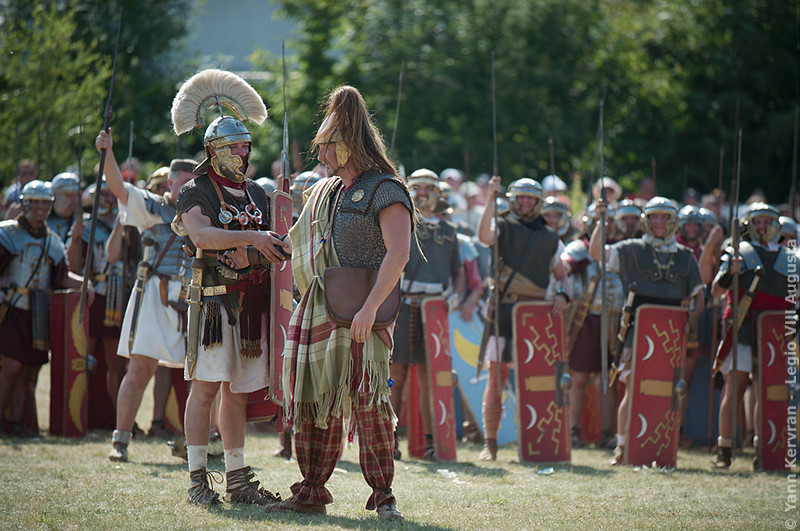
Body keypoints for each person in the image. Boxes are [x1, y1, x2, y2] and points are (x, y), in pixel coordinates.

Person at [269, 85, 412, 519]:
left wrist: (370, 308)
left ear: (347, 146)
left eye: (327, 147)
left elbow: (399, 253)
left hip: (366, 313)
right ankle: (311, 490)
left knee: (369, 404)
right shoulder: (324, 192)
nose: (320, 156)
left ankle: (384, 497)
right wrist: (255, 244)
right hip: (320, 310)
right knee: (315, 403)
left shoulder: (385, 188)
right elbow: (296, 245)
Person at [171, 68, 286, 505]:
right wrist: (252, 238)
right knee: (204, 389)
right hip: (213, 303)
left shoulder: (256, 193)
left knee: (237, 392)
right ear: (214, 150)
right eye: (235, 146)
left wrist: (254, 251)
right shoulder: (195, 190)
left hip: (251, 304)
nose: (243, 152)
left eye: (246, 145)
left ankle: (237, 479)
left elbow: (274, 246)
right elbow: (201, 236)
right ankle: (197, 479)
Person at [95, 132, 198, 462]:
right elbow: (119, 188)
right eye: (184, 182)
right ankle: (121, 440)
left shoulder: (204, 215)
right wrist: (108, 152)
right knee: (139, 371)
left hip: (193, 299)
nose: (189, 188)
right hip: (156, 295)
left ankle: (197, 444)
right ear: (170, 182)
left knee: (203, 376)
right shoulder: (153, 207)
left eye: (195, 182)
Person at [590, 196, 704, 465]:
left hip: (671, 333)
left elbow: (699, 297)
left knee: (667, 390)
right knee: (632, 387)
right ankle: (622, 446)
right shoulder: (631, 249)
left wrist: (690, 322)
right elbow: (597, 253)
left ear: (673, 221)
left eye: (664, 217)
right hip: (636, 328)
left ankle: (662, 445)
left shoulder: (686, 257)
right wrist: (600, 222)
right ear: (647, 220)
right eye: (654, 217)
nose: (659, 222)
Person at [476, 176, 570, 461]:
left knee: (537, 378)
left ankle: (539, 440)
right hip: (504, 310)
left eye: (530, 198)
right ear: (514, 200)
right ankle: (490, 443)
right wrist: (490, 199)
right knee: (497, 375)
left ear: (538, 201)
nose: (525, 202)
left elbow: (562, 276)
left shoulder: (550, 236)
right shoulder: (503, 226)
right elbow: (484, 237)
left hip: (535, 316)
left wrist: (563, 295)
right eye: (521, 197)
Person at [0, 180, 88, 436]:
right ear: (25, 204)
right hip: (10, 310)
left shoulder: (53, 241)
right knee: (11, 368)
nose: (40, 208)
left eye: (44, 203)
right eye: (34, 202)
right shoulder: (7, 234)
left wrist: (85, 284)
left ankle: (16, 423)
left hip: (37, 312)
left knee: (28, 371)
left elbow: (62, 277)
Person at [711, 203, 792, 469]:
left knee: (766, 390)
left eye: (767, 222)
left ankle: (764, 449)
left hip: (773, 331)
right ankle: (725, 448)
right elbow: (715, 290)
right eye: (758, 222)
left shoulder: (790, 258)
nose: (762, 227)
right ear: (749, 225)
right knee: (735, 385)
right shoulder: (738, 253)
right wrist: (730, 273)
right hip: (742, 325)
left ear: (776, 225)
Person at [390, 168, 461, 460]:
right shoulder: (399, 223)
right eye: (416, 188)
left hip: (434, 311)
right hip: (404, 306)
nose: (421, 193)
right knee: (396, 376)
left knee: (430, 378)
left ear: (437, 192)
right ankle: (390, 440)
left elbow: (457, 271)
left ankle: (432, 443)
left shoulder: (449, 231)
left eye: (427, 188)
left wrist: (454, 295)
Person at [46, 172, 81, 243]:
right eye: (69, 195)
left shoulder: (84, 223)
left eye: (76, 195)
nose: (74, 200)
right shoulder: (43, 223)